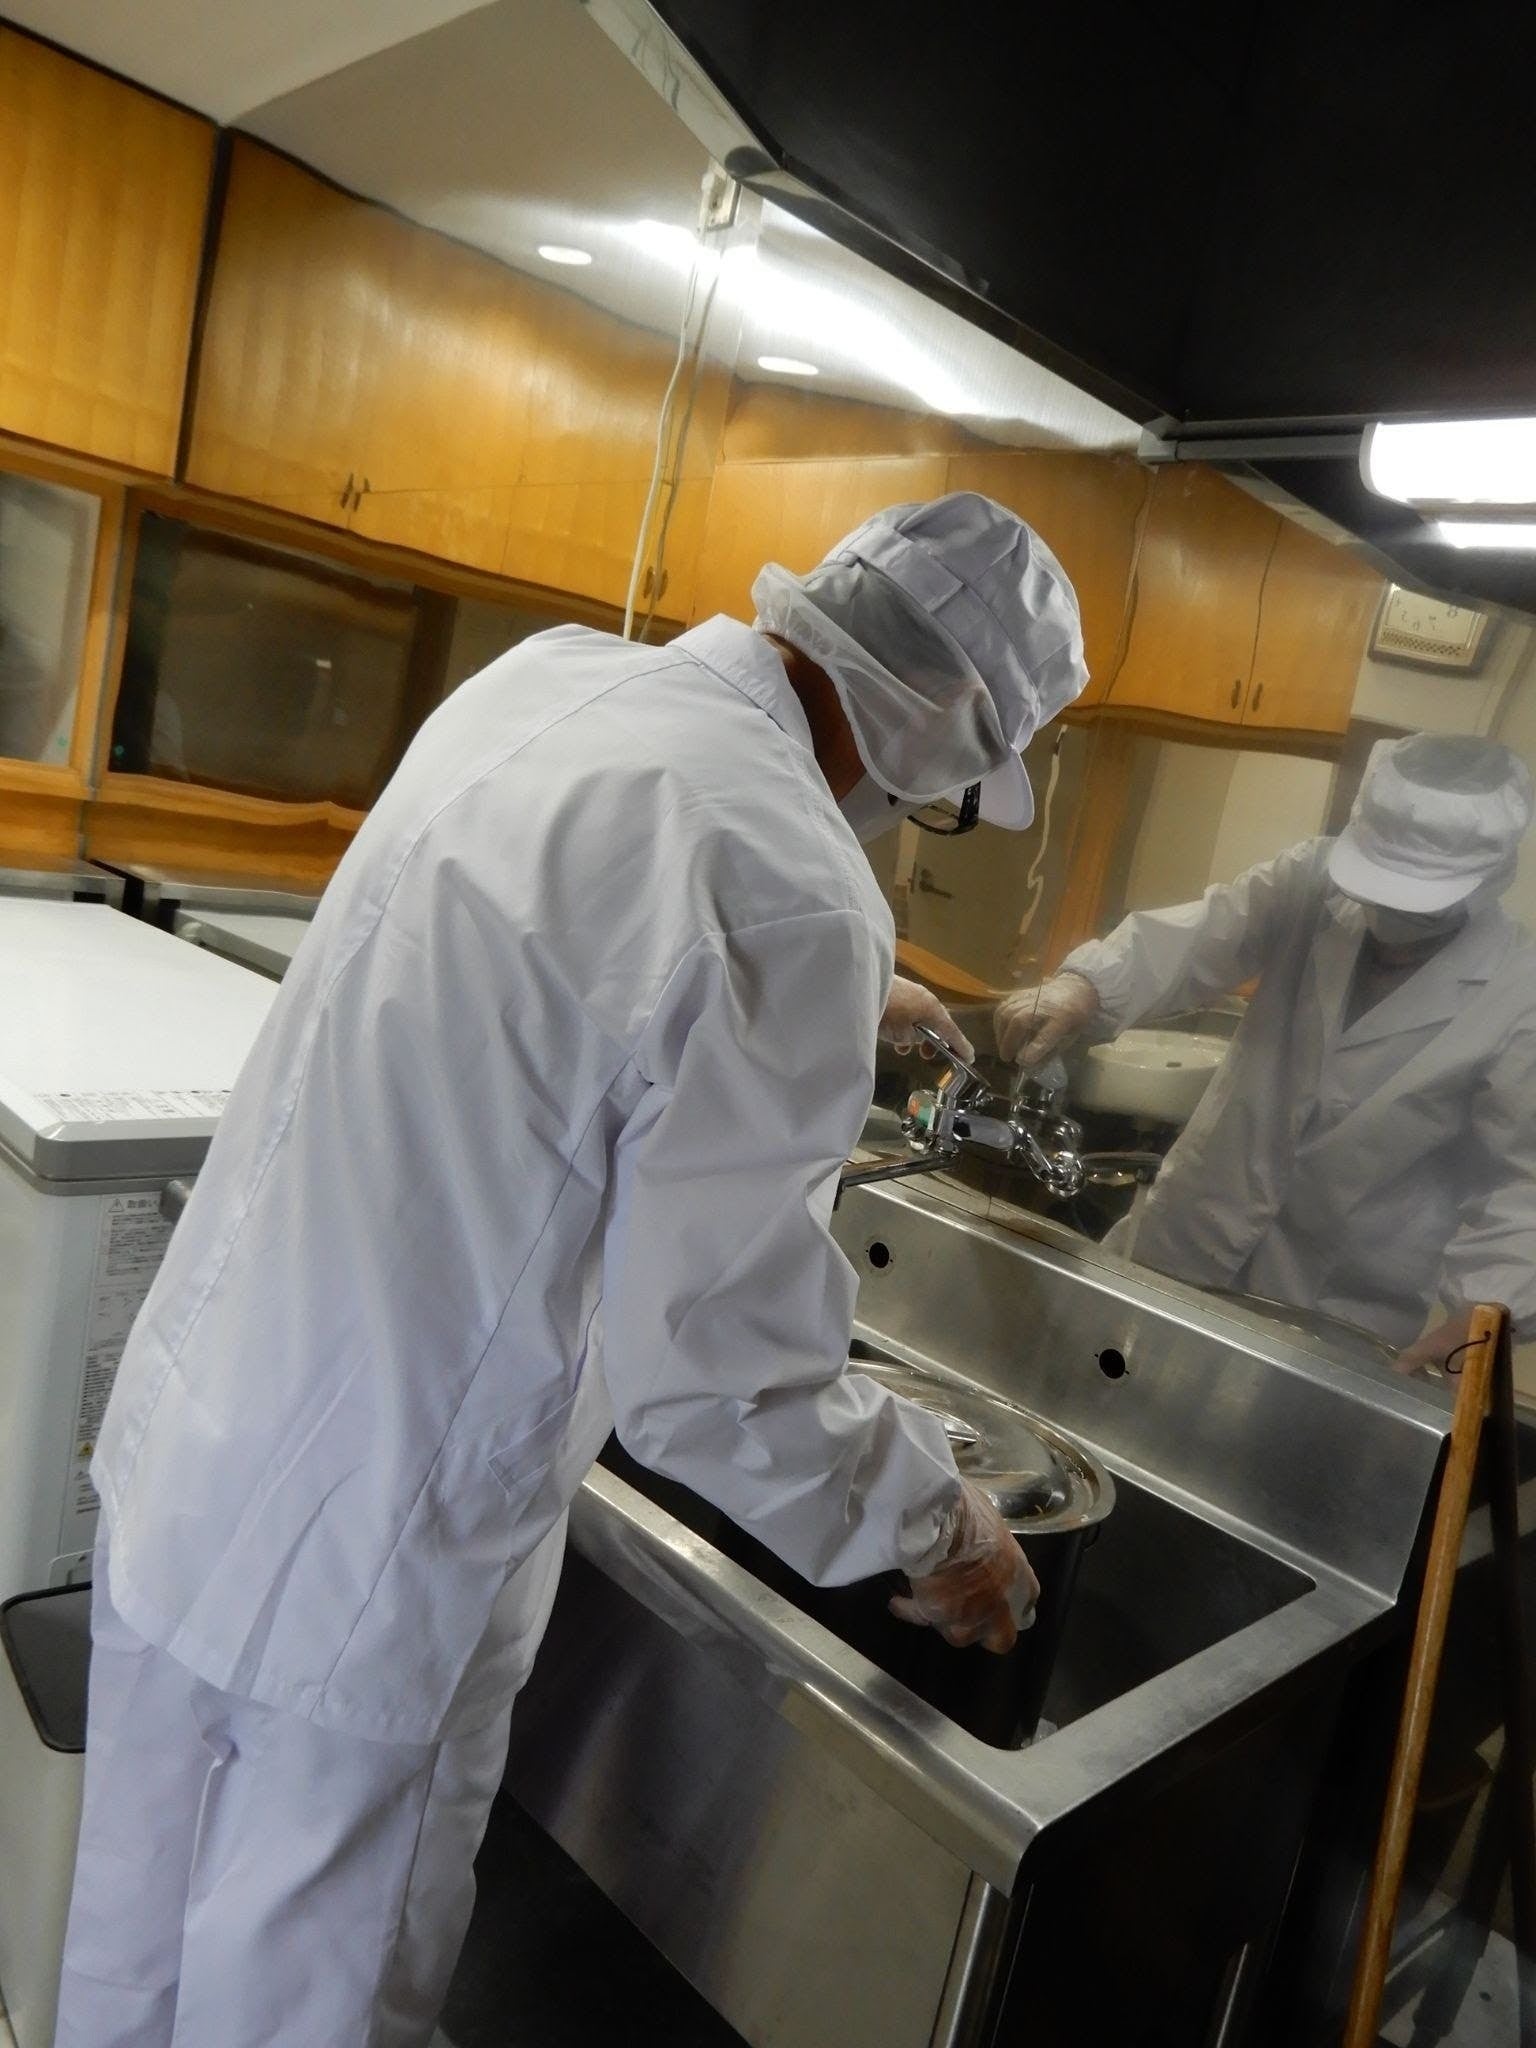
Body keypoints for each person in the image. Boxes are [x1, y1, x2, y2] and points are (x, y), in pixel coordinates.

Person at [57, 492, 1088, 2048]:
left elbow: (576, 945)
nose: (916, 813)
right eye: (948, 793)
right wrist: (936, 1521)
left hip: (197, 1452)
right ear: (941, 721)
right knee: (307, 2011)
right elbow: (721, 1384)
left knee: (128, 1960)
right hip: (375, 1559)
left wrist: (830, 993)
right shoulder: (796, 892)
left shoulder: (549, 678)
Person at [996, 734, 1536, 1370]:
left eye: (1420, 905)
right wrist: (1085, 986)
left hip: (1337, 1310)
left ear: (1487, 881)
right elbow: (1201, 933)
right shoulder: (1309, 882)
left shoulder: (1519, 992)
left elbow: (1525, 1186)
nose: (1389, 913)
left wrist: (1486, 1316)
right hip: (1181, 1245)